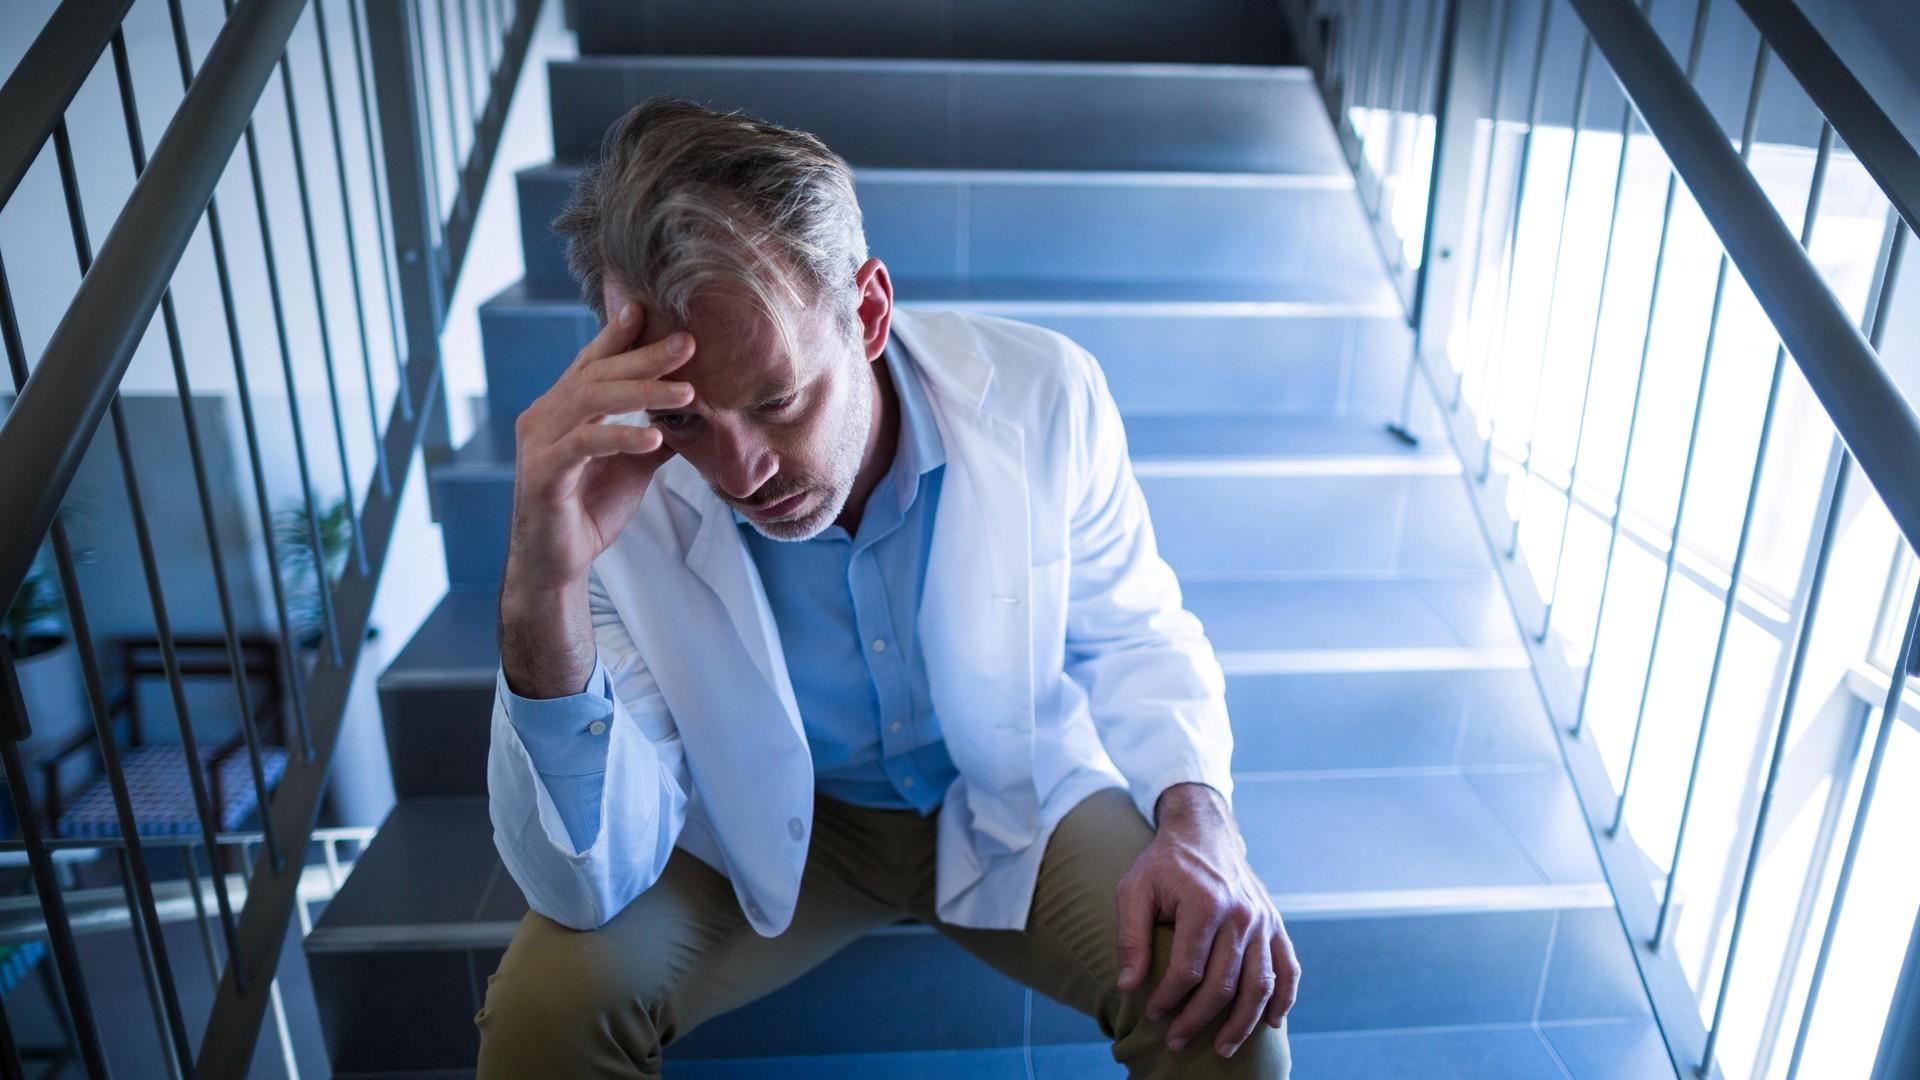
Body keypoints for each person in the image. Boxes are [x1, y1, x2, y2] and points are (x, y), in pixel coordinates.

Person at [473, 97, 1298, 1079]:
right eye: (687, 420)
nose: (741, 473)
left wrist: (1199, 816)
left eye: (778, 400)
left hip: (1011, 795)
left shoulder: (1045, 390)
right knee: (544, 1017)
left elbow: (1134, 631)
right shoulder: (613, 496)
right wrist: (542, 586)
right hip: (758, 818)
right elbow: (580, 882)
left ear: (866, 312)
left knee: (1226, 1008)